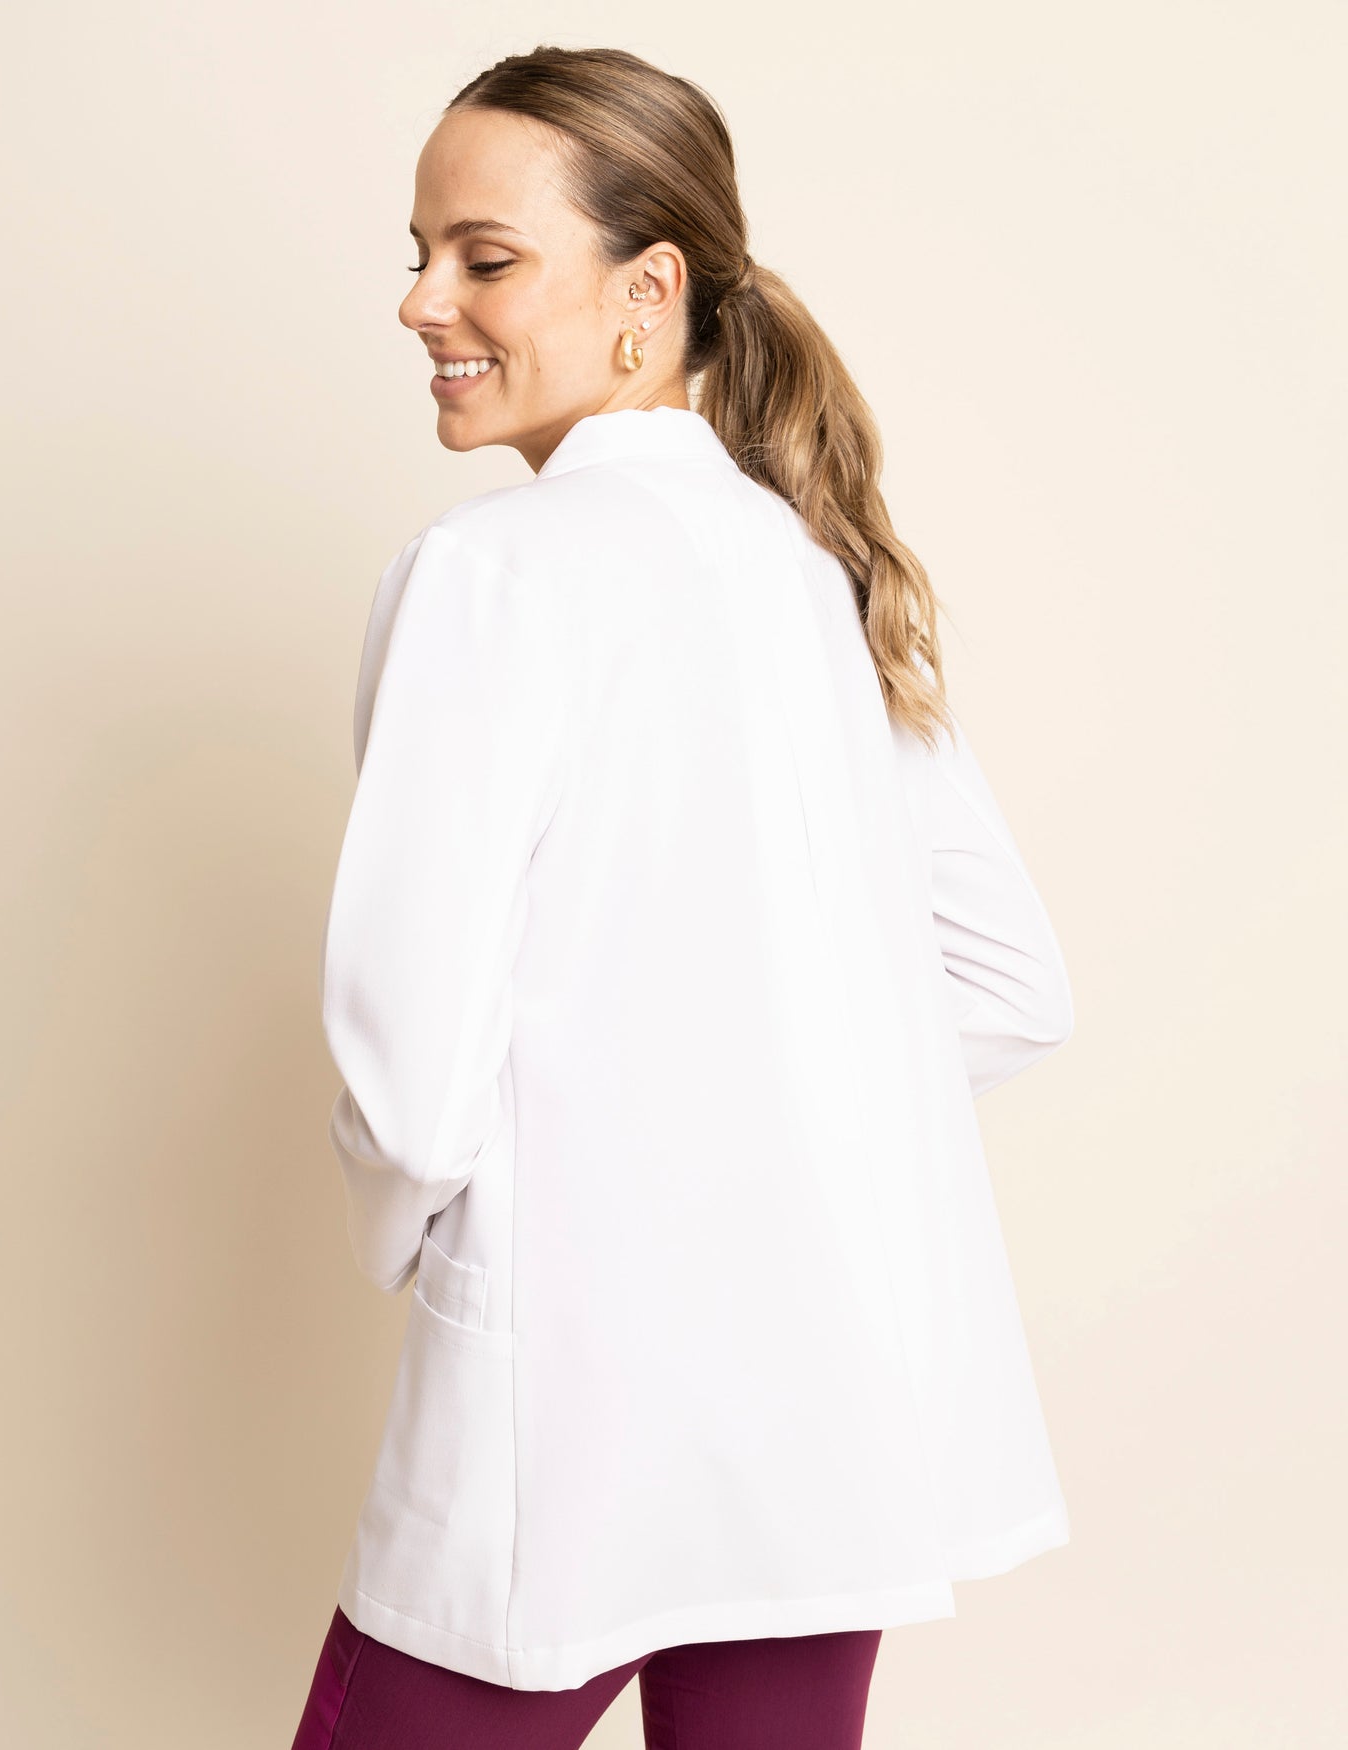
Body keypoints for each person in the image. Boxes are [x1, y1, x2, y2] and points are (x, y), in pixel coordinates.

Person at [291, 42, 1075, 1750]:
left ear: (649, 291)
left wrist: (458, 1220)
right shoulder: (816, 566)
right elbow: (1014, 983)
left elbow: (412, 1098)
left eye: (486, 257)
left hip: (562, 1413)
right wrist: (758, 1130)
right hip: (831, 1415)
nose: (422, 301)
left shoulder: (488, 577)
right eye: (419, 254)